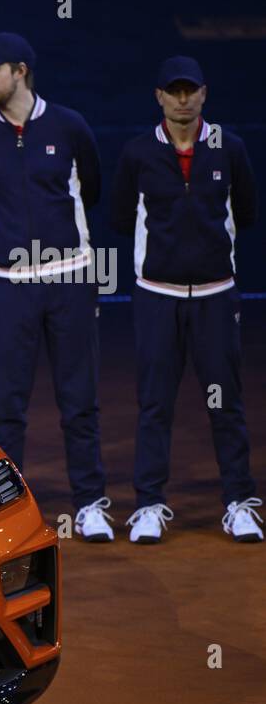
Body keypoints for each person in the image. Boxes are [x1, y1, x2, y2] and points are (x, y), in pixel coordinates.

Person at [0, 32, 114, 541]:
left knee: (79, 400)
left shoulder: (69, 126)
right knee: (6, 405)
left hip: (71, 279)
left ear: (20, 71)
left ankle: (89, 503)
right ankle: (6, 515)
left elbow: (92, 188)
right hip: (8, 286)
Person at [111, 56, 261, 543]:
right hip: (158, 298)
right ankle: (150, 504)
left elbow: (248, 213)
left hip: (217, 297)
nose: (181, 99)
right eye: (172, 91)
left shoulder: (230, 149)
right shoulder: (137, 154)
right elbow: (119, 216)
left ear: (203, 94)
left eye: (189, 91)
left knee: (226, 404)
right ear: (159, 96)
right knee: (155, 404)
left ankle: (239, 502)